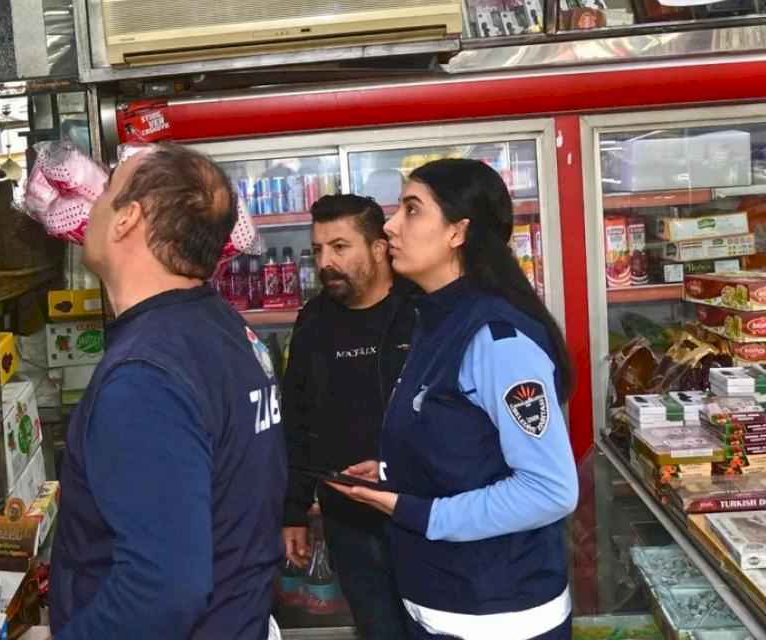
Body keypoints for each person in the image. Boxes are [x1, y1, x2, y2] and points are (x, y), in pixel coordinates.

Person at [332, 158, 579, 640]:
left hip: (497, 617)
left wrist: (416, 510)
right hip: (442, 604)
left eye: (412, 210)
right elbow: (466, 443)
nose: (390, 225)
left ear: (458, 232)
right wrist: (392, 475)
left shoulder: (496, 337)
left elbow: (550, 489)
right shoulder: (435, 320)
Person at [49, 143, 287, 640]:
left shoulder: (146, 376)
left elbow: (164, 588)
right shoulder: (222, 327)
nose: (91, 204)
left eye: (106, 190)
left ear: (126, 219)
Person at [280, 194, 414, 638]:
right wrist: (294, 512)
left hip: (424, 513)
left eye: (340, 247)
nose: (326, 262)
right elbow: (296, 420)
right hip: (349, 521)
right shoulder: (314, 321)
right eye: (318, 250)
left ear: (379, 248)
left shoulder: (420, 310)